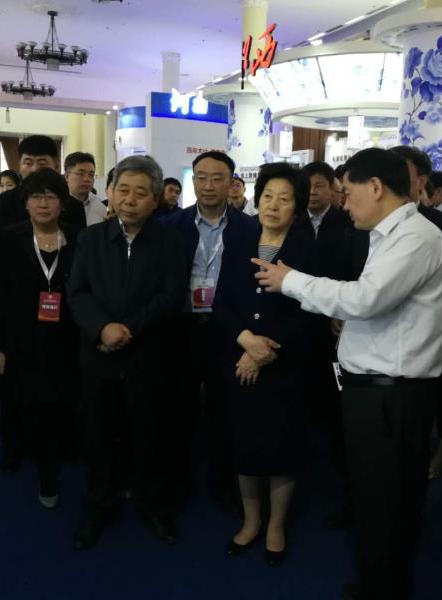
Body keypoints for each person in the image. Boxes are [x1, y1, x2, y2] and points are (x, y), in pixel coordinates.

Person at [254, 148, 442, 600]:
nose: (344, 204)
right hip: (376, 390)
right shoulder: (389, 234)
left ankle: (385, 588)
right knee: (377, 501)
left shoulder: (415, 237)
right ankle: (379, 582)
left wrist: (290, 280)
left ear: (375, 187)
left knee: (386, 503)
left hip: (392, 395)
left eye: (347, 192)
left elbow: (366, 299)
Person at [69, 156, 186, 549]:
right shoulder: (90, 239)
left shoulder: (171, 242)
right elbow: (77, 293)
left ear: (156, 199)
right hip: (99, 357)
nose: (130, 200)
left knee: (150, 434)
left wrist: (127, 328)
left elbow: (170, 296)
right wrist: (102, 328)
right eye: (123, 190)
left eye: (140, 193)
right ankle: (97, 505)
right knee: (98, 436)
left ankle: (153, 507)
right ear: (111, 192)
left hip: (148, 357)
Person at [216, 163, 315, 567]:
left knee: (281, 447)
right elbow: (223, 302)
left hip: (285, 364)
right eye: (268, 196)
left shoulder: (307, 247)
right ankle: (251, 520)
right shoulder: (240, 239)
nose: (273, 205)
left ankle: (276, 525)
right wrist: (245, 341)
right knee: (245, 443)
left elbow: (310, 309)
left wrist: (265, 350)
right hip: (239, 360)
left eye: (284, 199)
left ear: (298, 206)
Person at [166, 151, 260, 515]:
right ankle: (178, 482)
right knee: (179, 408)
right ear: (193, 182)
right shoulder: (171, 225)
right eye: (201, 177)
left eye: (217, 178)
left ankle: (223, 484)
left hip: (228, 330)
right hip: (183, 328)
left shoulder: (249, 229)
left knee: (225, 410)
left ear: (232, 183)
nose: (208, 185)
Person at [0, 168, 80, 508]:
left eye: (50, 197)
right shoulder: (10, 238)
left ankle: (56, 456)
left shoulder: (78, 238)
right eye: (36, 197)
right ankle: (23, 456)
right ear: (25, 203)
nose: (43, 204)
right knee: (21, 400)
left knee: (59, 399)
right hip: (20, 336)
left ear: (62, 204)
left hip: (66, 336)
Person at [392, 145, 442, 480]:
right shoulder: (366, 223)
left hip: (428, 339)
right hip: (382, 345)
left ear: (421, 181)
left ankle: (437, 452)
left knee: (434, 404)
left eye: (401, 174)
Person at [301, 160, 361, 528]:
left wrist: (340, 312)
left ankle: (337, 467)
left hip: (338, 324)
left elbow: (355, 274)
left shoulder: (349, 223)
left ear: (333, 189)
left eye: (319, 185)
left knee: (336, 400)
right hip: (299, 322)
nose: (312, 192)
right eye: (307, 185)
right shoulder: (293, 221)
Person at [0, 135, 85, 233]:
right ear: (19, 165)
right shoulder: (4, 202)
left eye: (42, 164)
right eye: (28, 163)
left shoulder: (74, 206)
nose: (34, 169)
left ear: (56, 165)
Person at [65, 151, 105, 226]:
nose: (87, 179)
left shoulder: (100, 207)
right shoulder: (58, 204)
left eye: (91, 175)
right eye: (81, 174)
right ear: (67, 176)